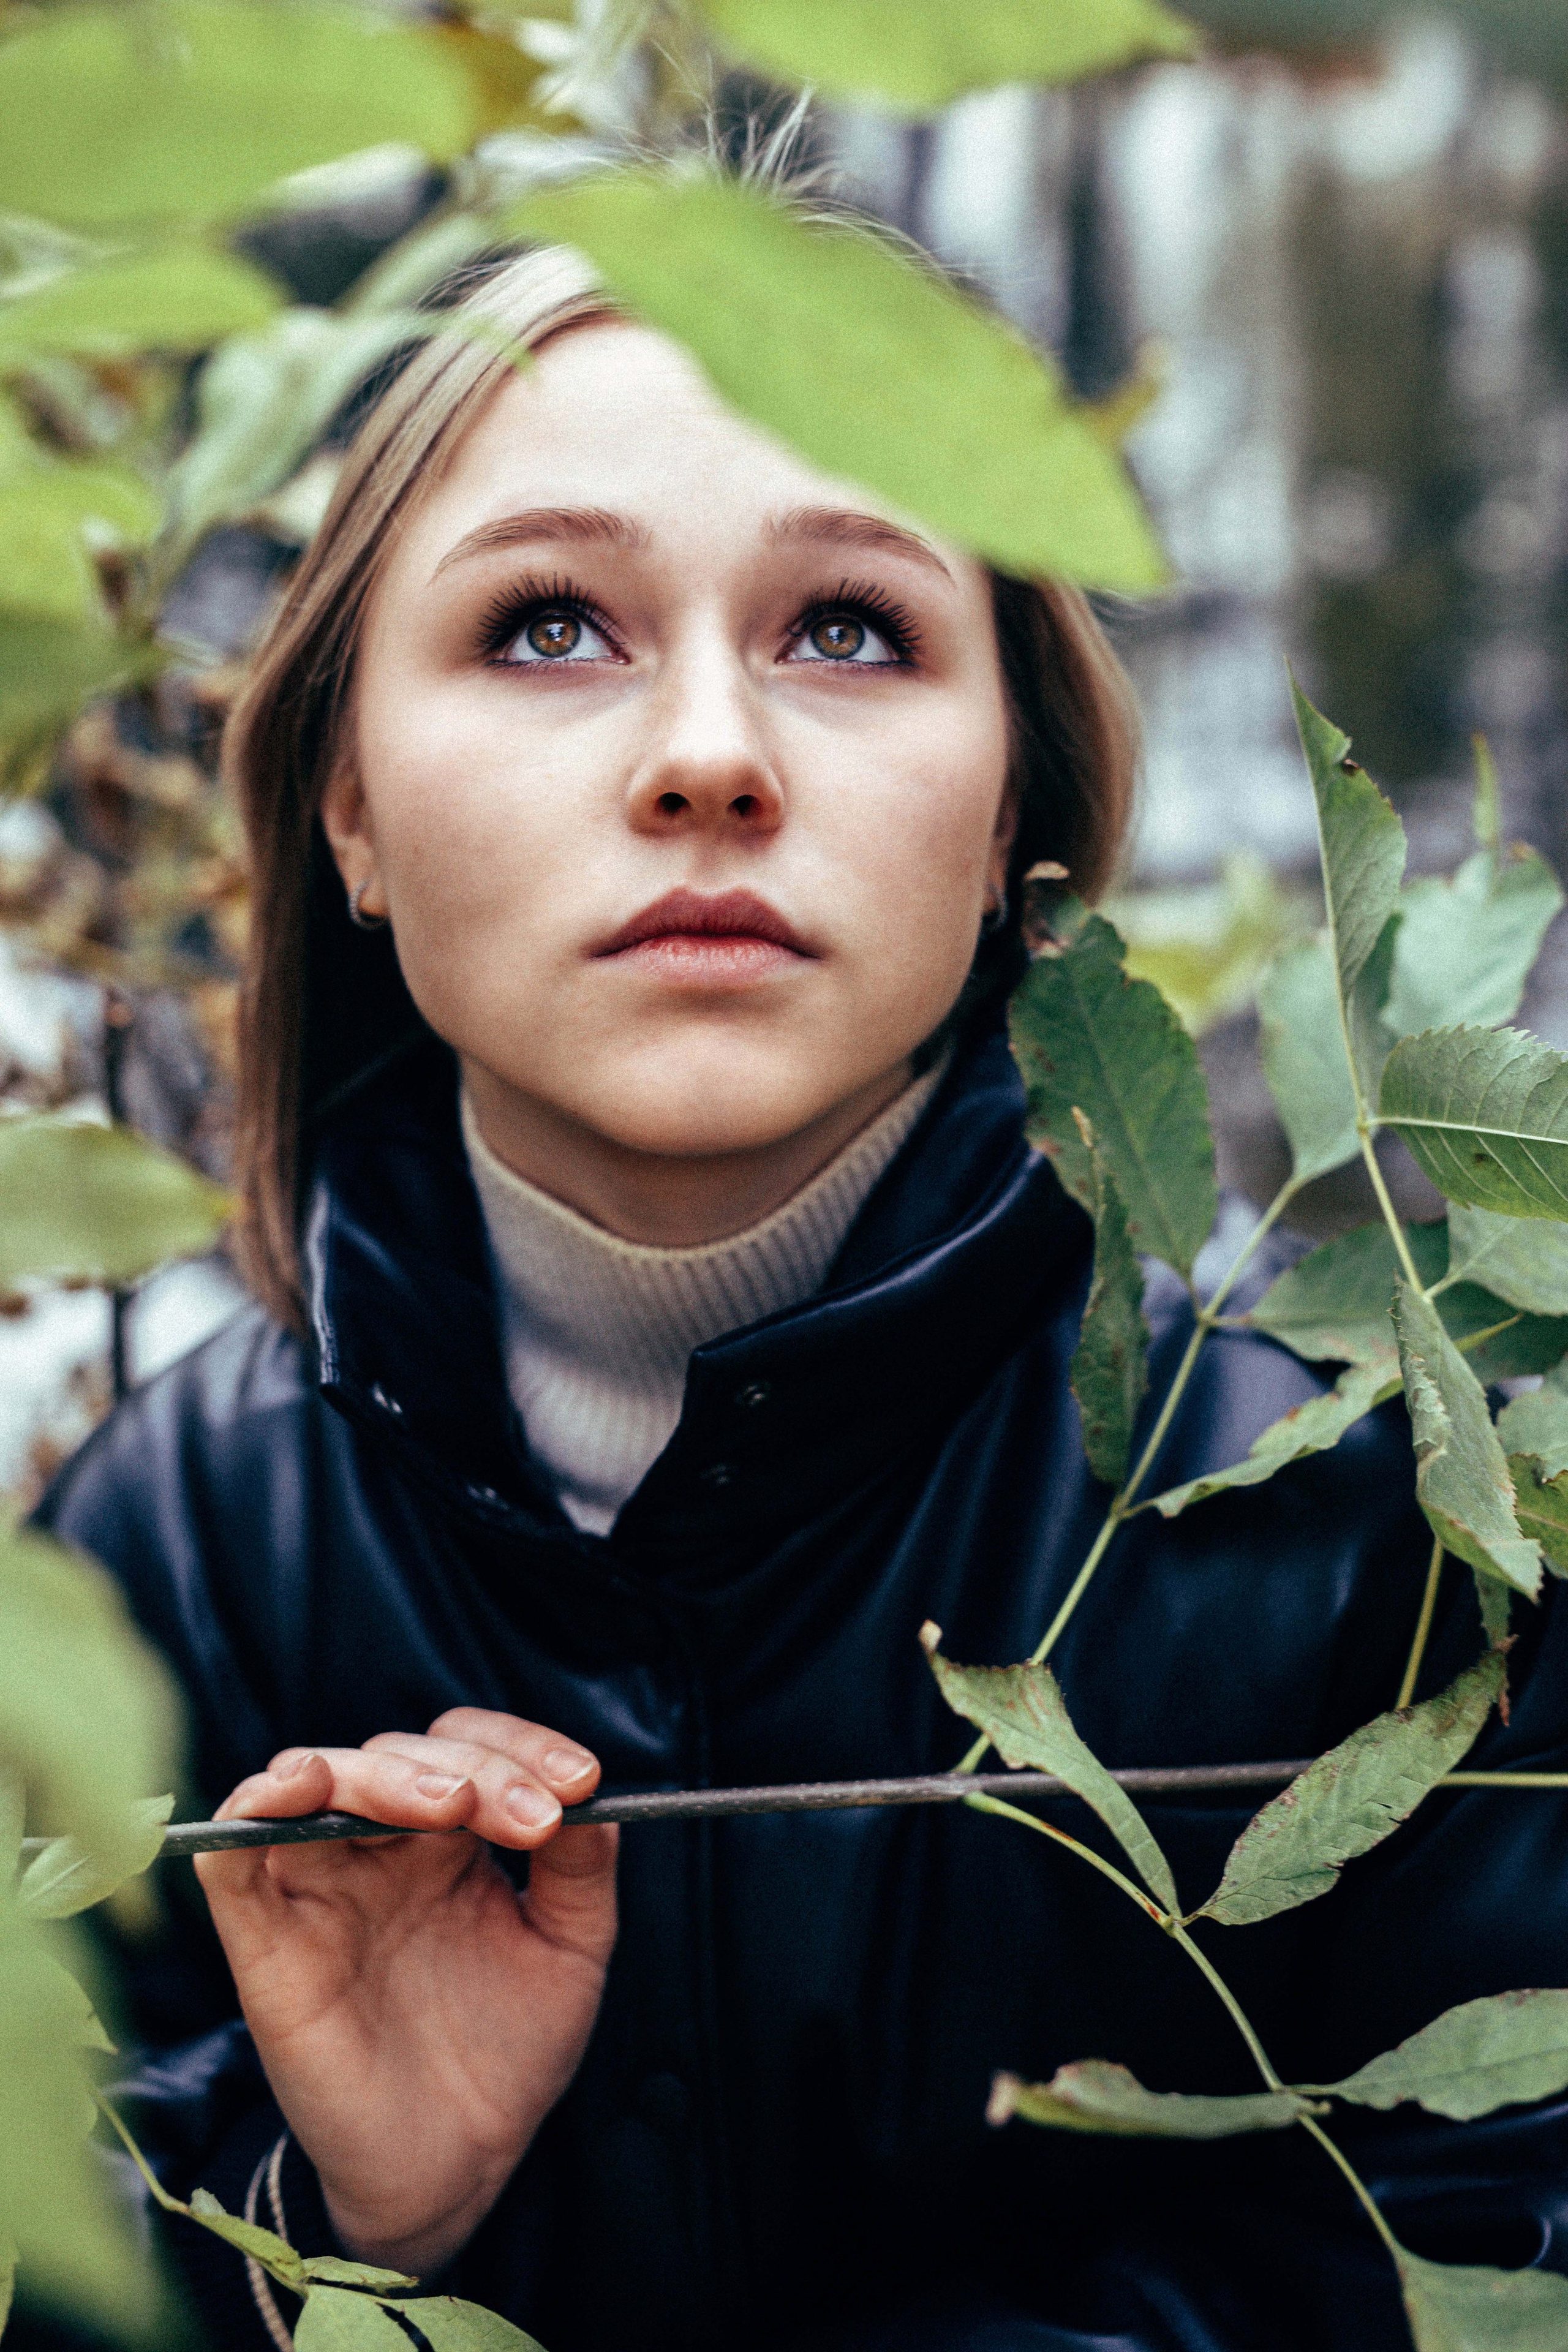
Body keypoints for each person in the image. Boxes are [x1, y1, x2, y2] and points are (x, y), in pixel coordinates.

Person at [35, 193, 1568, 2352]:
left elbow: (1506, 2239)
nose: (710, 754)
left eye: (847, 628)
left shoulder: (1378, 1539)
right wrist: (335, 2221)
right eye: (550, 623)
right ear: (349, 806)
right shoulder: (149, 1563)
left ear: (1019, 804)